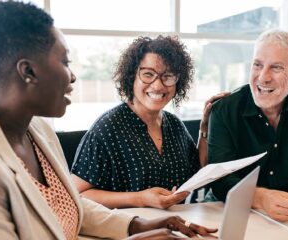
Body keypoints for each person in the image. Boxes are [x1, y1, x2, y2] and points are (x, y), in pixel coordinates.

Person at [0, 1, 218, 239]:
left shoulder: (37, 130)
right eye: (64, 62)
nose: (72, 76)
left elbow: (72, 206)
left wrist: (140, 225)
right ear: (28, 71)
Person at [71, 34, 228, 209]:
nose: (158, 85)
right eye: (148, 74)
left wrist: (205, 127)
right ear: (132, 77)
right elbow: (78, 194)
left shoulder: (174, 125)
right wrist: (140, 198)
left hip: (174, 226)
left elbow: (200, 169)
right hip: (127, 230)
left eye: (168, 76)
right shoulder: (108, 128)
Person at [208, 29, 288, 222]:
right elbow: (219, 180)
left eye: (276, 67)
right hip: (229, 214)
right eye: (257, 65)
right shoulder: (224, 110)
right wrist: (261, 198)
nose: (263, 77)